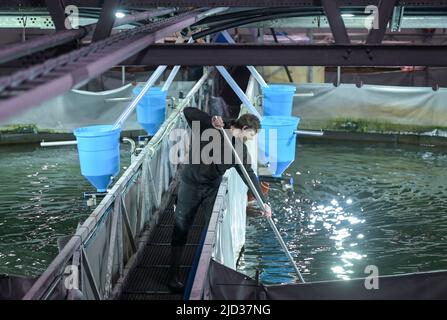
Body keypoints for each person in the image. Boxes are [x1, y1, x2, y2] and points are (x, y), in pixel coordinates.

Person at [168, 107, 272, 293]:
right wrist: (217, 119)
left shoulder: (240, 150)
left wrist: (263, 201)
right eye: (251, 134)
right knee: (181, 228)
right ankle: (172, 276)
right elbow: (188, 111)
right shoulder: (211, 128)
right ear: (244, 127)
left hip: (211, 189)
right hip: (190, 184)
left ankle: (205, 277)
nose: (251, 139)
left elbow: (249, 175)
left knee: (211, 231)